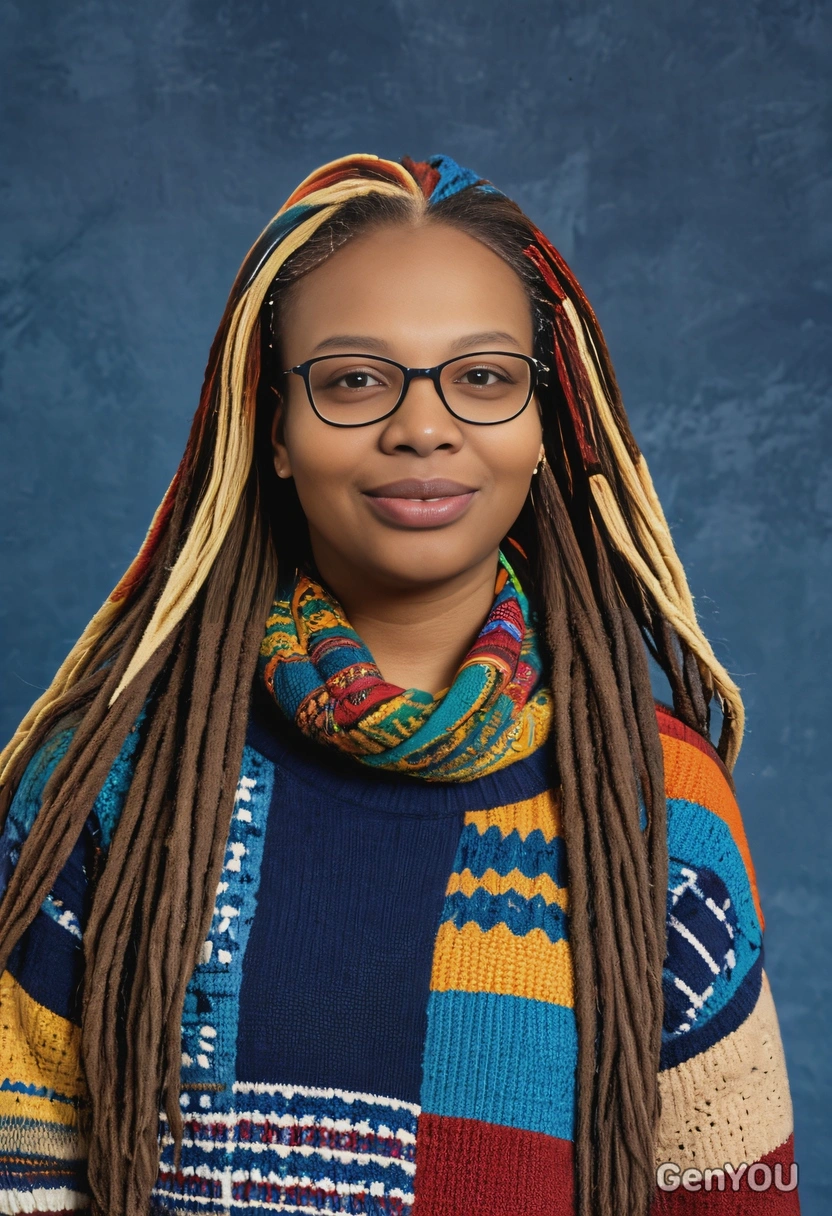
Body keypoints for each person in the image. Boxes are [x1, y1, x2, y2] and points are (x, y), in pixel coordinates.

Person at [0, 153, 800, 1216]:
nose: (423, 427)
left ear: (543, 425)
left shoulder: (654, 800)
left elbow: (731, 1191)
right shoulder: (112, 781)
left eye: (481, 377)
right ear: (271, 429)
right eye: (353, 379)